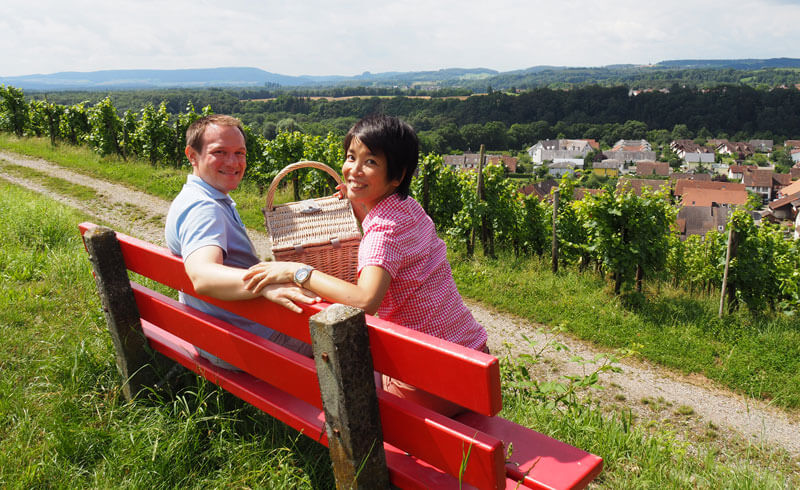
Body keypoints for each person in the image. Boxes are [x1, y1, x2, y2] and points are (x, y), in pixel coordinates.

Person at [243, 114, 488, 415]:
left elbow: (364, 300)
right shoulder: (408, 208)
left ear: (396, 176)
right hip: (471, 363)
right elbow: (392, 246)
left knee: (333, 373)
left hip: (427, 384)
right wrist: (360, 204)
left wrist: (298, 271)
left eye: (370, 162)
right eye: (350, 157)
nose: (353, 170)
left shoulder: (383, 231)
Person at [165, 114, 318, 369]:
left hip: (215, 331)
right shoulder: (204, 208)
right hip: (242, 342)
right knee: (351, 336)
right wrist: (263, 285)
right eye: (220, 152)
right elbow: (202, 276)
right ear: (192, 155)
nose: (233, 162)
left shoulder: (193, 196)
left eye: (240, 152)